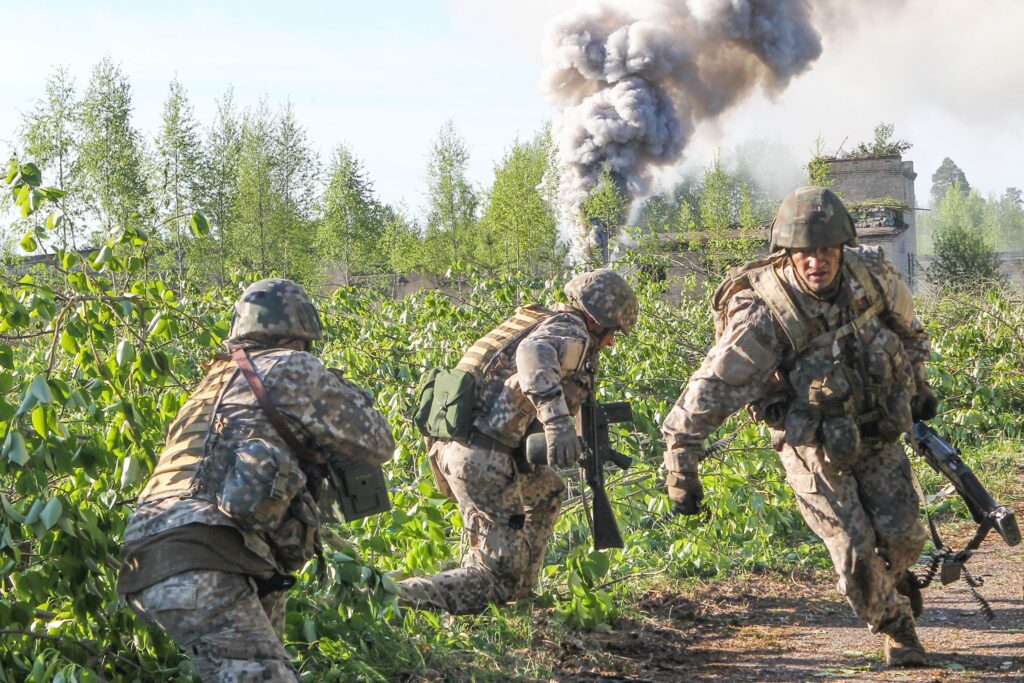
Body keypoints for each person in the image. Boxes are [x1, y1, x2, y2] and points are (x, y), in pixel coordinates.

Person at [662, 186, 938, 667]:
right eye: (804, 252)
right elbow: (710, 390)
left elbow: (909, 334)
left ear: (842, 247)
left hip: (875, 433)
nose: (816, 261)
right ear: (787, 254)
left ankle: (891, 578)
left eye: (827, 249)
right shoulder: (767, 313)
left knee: (905, 536)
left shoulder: (871, 276)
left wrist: (918, 384)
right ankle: (896, 627)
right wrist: (680, 463)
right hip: (812, 446)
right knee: (854, 554)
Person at [118, 278, 395, 681]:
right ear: (302, 335)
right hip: (206, 558)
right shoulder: (293, 366)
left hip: (147, 559)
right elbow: (378, 442)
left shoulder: (211, 381)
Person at [399, 269, 639, 614]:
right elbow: (535, 352)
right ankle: (390, 597)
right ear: (596, 320)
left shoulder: (542, 320)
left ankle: (519, 597)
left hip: (461, 447)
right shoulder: (570, 331)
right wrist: (557, 422)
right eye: (613, 332)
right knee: (494, 578)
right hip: (480, 458)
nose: (612, 342)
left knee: (547, 491)